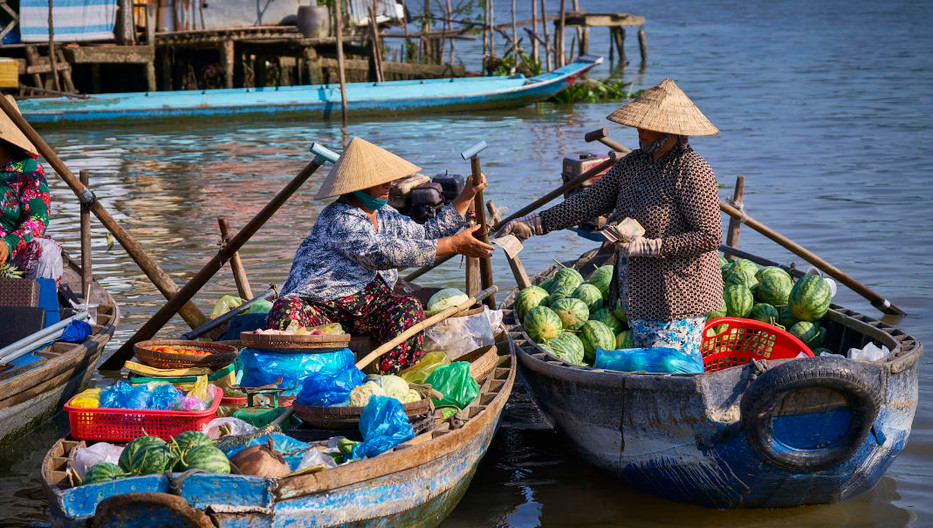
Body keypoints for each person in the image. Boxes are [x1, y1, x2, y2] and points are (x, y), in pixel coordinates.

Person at [500, 79, 723, 360]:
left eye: (647, 126)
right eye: (639, 125)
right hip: (638, 293)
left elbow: (710, 236)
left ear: (669, 131)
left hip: (679, 296)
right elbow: (588, 201)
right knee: (648, 370)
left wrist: (650, 247)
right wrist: (535, 224)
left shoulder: (692, 170)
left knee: (671, 371)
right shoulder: (633, 164)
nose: (639, 131)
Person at [266, 137, 494, 373]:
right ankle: (291, 384)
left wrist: (467, 195)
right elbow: (381, 253)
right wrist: (454, 245)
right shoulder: (340, 217)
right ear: (359, 186)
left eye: (388, 180)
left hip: (367, 307)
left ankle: (385, 378)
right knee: (285, 311)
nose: (388, 184)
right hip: (320, 305)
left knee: (408, 310)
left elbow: (427, 233)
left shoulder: (385, 214)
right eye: (379, 181)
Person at [0, 96, 62, 286]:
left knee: (46, 252)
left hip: (12, 254)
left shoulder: (28, 169)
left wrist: (8, 244)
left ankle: (38, 312)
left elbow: (37, 219)